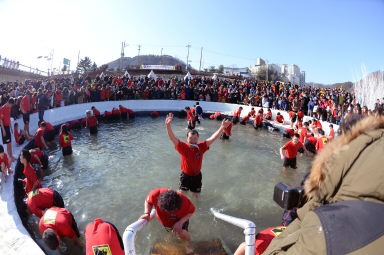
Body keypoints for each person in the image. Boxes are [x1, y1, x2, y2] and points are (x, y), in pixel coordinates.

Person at [263, 115, 384, 254]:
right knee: (286, 170)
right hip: (290, 160)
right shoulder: (291, 143)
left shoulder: (324, 213)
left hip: (297, 166)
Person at [165, 113, 230, 197]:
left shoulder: (201, 147)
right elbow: (172, 137)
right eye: (190, 138)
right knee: (182, 195)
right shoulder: (183, 147)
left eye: (195, 138)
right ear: (187, 139)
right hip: (185, 176)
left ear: (198, 139)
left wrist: (222, 127)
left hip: (197, 176)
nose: (192, 140)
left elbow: (212, 138)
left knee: (196, 196)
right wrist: (168, 125)